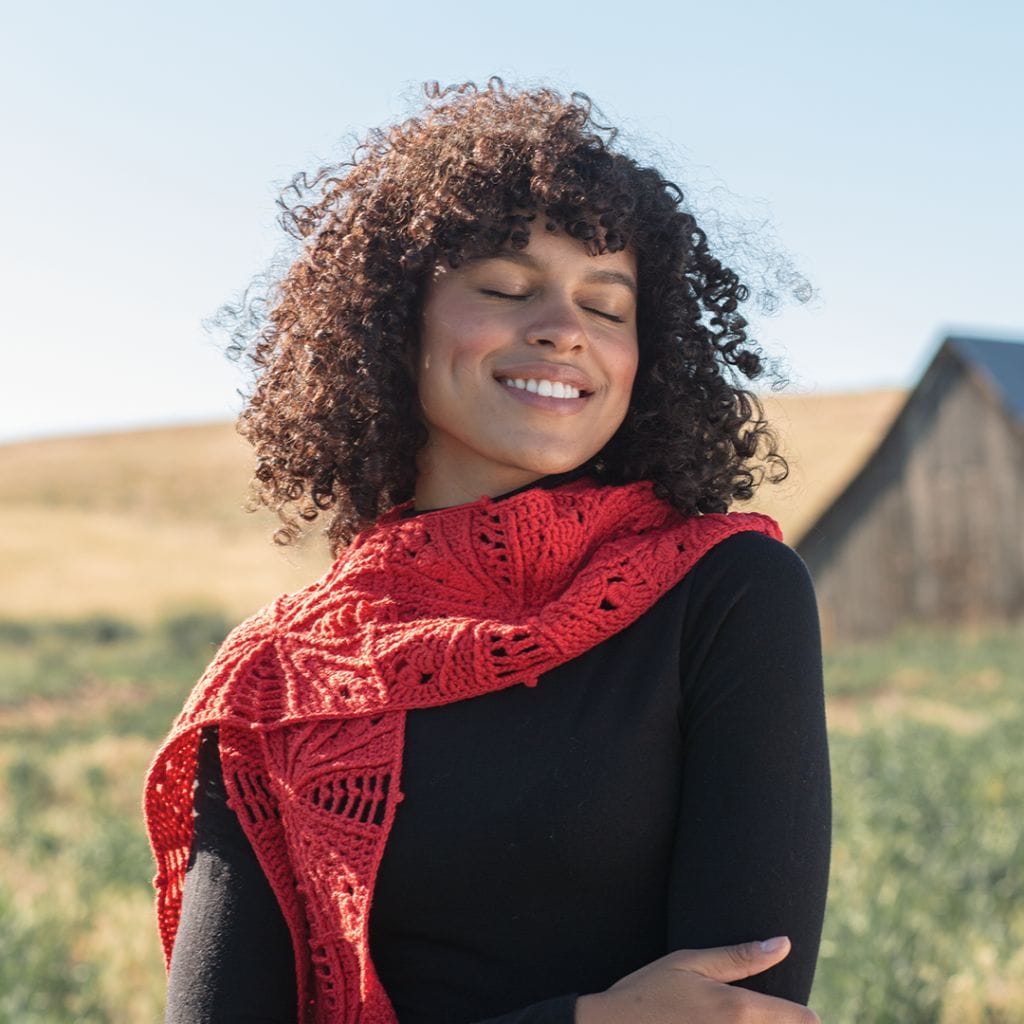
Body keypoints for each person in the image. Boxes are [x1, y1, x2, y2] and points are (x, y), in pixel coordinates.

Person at [143, 79, 830, 1024]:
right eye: (506, 288)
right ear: (393, 326)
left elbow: (742, 1011)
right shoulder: (275, 685)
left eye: (608, 306)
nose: (565, 329)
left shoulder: (726, 593)